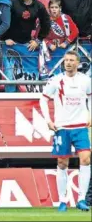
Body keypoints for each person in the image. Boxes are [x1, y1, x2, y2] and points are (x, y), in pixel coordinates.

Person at [39, 50, 91, 212]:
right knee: (62, 163)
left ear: (77, 63)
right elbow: (43, 99)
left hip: (81, 126)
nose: (68, 63)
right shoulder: (56, 80)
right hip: (61, 127)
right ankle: (62, 200)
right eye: (66, 60)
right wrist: (48, 120)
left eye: (71, 60)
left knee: (86, 159)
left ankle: (81, 199)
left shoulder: (85, 80)